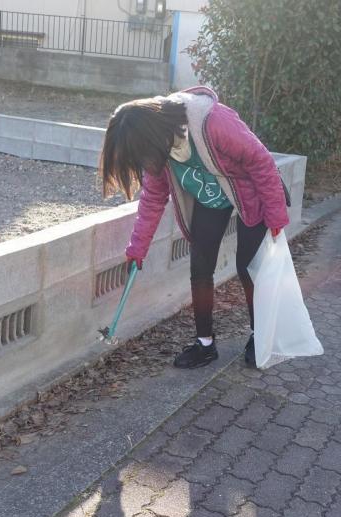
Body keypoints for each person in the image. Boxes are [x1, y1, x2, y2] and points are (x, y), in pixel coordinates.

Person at [99, 87, 289, 369]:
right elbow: (152, 200)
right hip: (210, 198)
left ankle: (259, 334)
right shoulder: (157, 153)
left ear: (153, 135)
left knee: (248, 266)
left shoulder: (212, 122)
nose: (146, 165)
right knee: (200, 267)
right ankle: (205, 343)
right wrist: (137, 247)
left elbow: (260, 162)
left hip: (250, 190)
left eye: (143, 157)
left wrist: (276, 217)